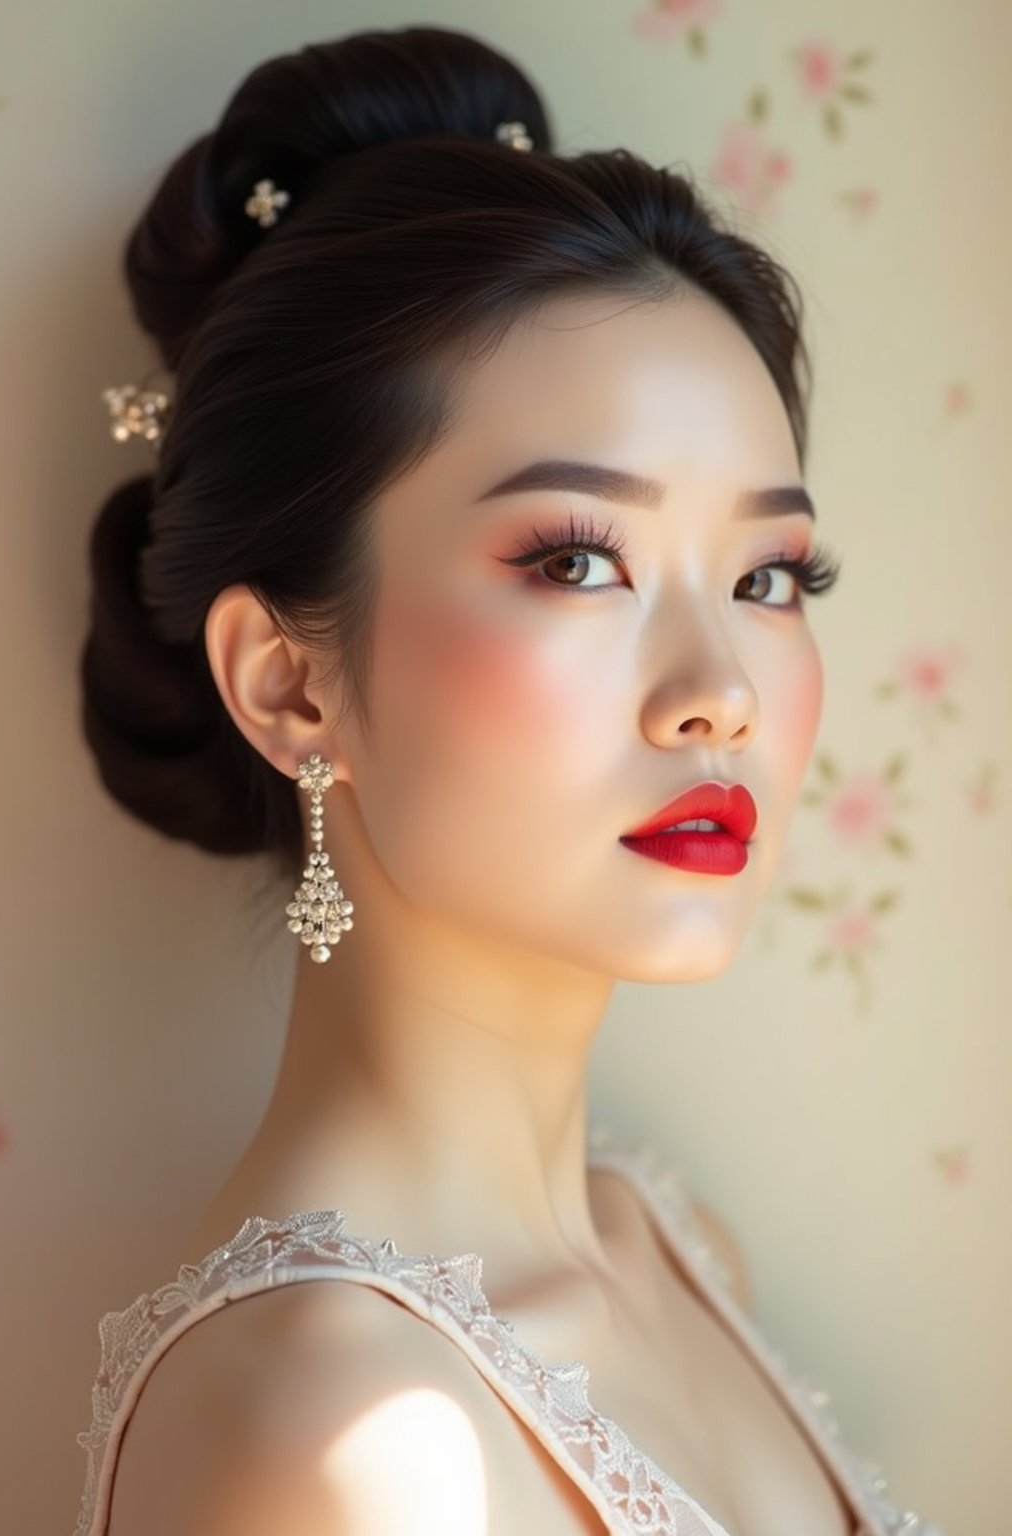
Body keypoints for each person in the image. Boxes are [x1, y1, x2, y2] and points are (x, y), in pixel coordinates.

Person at [73, 22, 942, 1536]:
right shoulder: (355, 1441)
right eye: (578, 559)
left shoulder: (674, 1245)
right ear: (288, 681)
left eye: (771, 575)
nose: (718, 696)